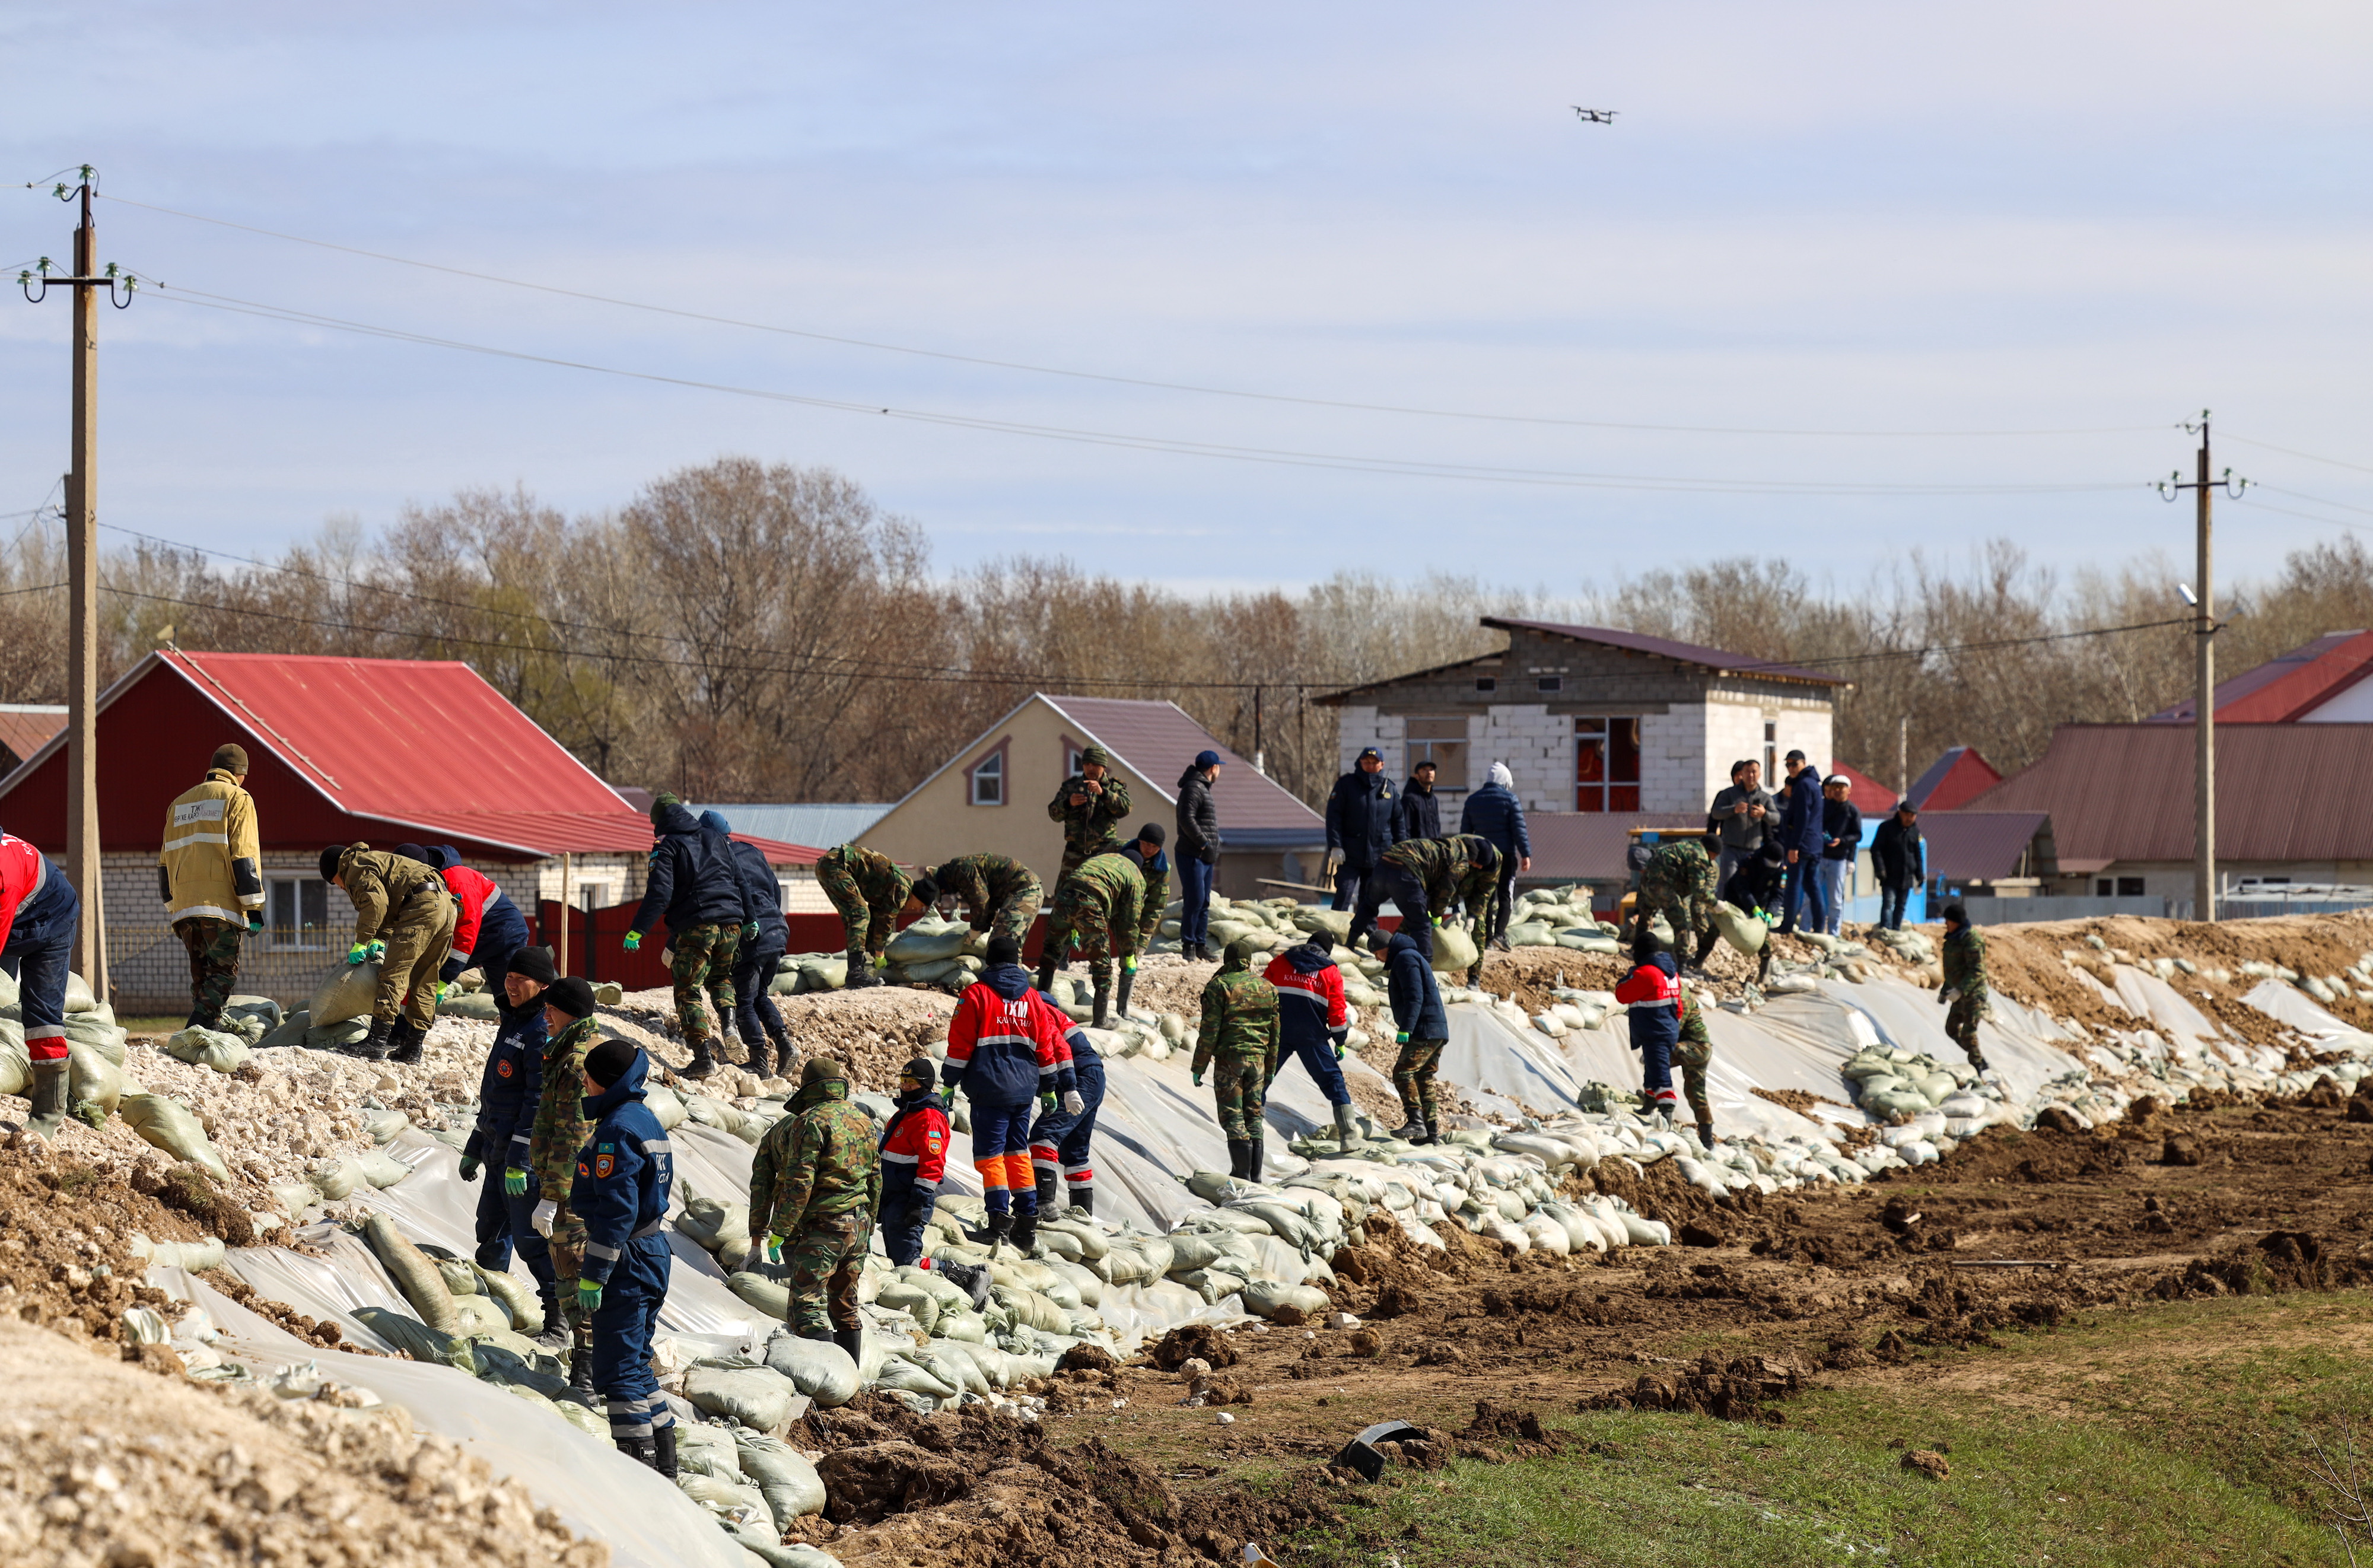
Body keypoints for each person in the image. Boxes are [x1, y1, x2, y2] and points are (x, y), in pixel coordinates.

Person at [569, 1035, 676, 1474]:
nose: (584, 1085)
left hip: (628, 1259)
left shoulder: (616, 1130)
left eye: (588, 1077)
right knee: (636, 1363)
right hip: (652, 1251)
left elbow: (618, 1211)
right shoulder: (645, 1119)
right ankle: (665, 1468)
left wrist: (594, 1273)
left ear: (606, 1081)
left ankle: (640, 1474)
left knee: (617, 1371)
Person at [459, 946, 567, 1350]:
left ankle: (558, 1321)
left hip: (522, 1161)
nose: (511, 985)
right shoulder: (513, 1021)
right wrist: (475, 1145)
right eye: (508, 977)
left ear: (543, 985)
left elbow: (536, 1103)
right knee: (490, 1231)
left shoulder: (539, 1029)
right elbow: (496, 1096)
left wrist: (520, 1161)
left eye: (521, 979)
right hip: (496, 1151)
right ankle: (492, 1309)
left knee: (532, 1242)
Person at [944, 934, 1080, 1252]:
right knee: (1018, 1154)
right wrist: (1050, 1088)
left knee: (990, 1157)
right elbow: (1045, 1046)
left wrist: (949, 1082)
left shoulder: (975, 995)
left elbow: (960, 1044)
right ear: (1016, 961)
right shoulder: (1032, 998)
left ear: (989, 960)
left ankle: (997, 1225)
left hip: (989, 1088)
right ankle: (1026, 1225)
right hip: (1023, 1091)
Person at [750, 1057, 879, 1363]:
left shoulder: (808, 1122)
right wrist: (870, 1227)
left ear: (806, 1086)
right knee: (846, 1305)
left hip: (825, 1228)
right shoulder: (863, 1120)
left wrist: (777, 1231)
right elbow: (875, 1179)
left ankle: (826, 1380)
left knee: (806, 1308)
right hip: (859, 1225)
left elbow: (799, 1183)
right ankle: (849, 1380)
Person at [624, 794, 750, 1077]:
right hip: (732, 922)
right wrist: (750, 919)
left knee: (687, 991)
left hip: (698, 925)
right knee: (721, 978)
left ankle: (703, 1058)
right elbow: (740, 880)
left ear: (660, 820)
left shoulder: (668, 846)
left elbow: (660, 892)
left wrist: (638, 929)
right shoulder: (715, 837)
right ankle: (729, 1025)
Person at [527, 976, 603, 1394]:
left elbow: (572, 1137)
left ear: (569, 1011)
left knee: (574, 1280)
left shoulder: (575, 1062)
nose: (546, 1016)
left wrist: (552, 1196)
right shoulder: (581, 1050)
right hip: (581, 1187)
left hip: (574, 1192)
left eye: (552, 1008)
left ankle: (588, 1371)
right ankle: (590, 1364)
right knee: (578, 1276)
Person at [159, 743, 264, 1032]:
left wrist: (173, 903)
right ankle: (194, 1030)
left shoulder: (179, 804)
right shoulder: (238, 798)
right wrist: (254, 907)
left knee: (202, 977)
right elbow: (244, 854)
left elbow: (164, 861)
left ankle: (208, 1034)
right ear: (241, 774)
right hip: (219, 906)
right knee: (222, 974)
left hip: (184, 907)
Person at [321, 842, 456, 1062]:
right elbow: (394, 901)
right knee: (426, 978)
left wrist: (362, 941)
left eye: (334, 882)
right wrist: (380, 938)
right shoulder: (375, 861)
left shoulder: (354, 867)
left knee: (394, 974)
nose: (339, 887)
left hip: (422, 905)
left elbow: (376, 903)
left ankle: (376, 1042)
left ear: (336, 871)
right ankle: (413, 1048)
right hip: (446, 905)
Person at [406, 845, 529, 1067]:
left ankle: (523, 1051)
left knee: (512, 999)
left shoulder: (457, 880)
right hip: (486, 936)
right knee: (422, 975)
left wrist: (444, 979)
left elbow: (465, 937)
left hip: (503, 936)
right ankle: (406, 1038)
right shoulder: (433, 879)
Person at [0, 832, 79, 1139]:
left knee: (41, 1017)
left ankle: (47, 1113)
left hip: (52, 921)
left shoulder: (3, 877)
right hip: (18, 916)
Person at [707, 813, 794, 1078]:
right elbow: (775, 890)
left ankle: (759, 1061)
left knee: (743, 1000)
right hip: (777, 929)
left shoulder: (717, 858)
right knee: (760, 995)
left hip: (753, 934)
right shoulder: (752, 851)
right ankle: (784, 1043)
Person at [1190, 937, 1280, 1181]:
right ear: (1248, 961)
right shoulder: (1268, 988)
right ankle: (1256, 1176)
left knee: (1233, 1116)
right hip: (1258, 1061)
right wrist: (1271, 1068)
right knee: (1253, 1116)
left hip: (1230, 1061)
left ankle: (1241, 1176)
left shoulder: (1219, 986)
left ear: (1227, 960)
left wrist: (1199, 1066)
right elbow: (1275, 1032)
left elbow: (1210, 1030)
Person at [1035, 848, 1157, 1026]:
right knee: (1102, 966)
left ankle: (1039, 1010)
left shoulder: (1104, 860)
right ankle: (1101, 1020)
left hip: (1065, 896)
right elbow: (1129, 922)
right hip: (1091, 902)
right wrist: (1129, 953)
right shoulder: (1135, 876)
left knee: (1051, 953)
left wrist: (1073, 927)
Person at [1263, 934, 1357, 1149]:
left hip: (1279, 1030)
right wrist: (1340, 1040)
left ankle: (1250, 1120)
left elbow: (1263, 991)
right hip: (1312, 1035)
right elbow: (1337, 1011)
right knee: (1333, 1081)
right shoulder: (1330, 971)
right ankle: (1349, 1137)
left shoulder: (1281, 960)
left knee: (1261, 1074)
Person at [1362, 832, 1500, 961]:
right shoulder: (1459, 854)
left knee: (1478, 929)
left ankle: (1474, 976)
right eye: (1478, 865)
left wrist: (1473, 916)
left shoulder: (1488, 866)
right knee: (1419, 922)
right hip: (1424, 882)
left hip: (1419, 877)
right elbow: (1447, 886)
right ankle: (1410, 957)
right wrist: (1451, 909)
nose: (1479, 868)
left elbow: (1483, 893)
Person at [817, 841, 928, 993]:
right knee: (860, 914)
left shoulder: (889, 890)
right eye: (921, 905)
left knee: (853, 918)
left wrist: (873, 953)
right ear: (916, 896)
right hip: (837, 865)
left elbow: (874, 924)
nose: (918, 909)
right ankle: (855, 974)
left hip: (828, 865)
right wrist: (880, 953)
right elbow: (886, 922)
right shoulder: (902, 889)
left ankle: (858, 970)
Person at [1028, 1006, 1105, 1216]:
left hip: (1079, 1078)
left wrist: (1071, 1088)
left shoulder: (1037, 1011)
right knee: (1075, 1152)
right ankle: (1083, 1215)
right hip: (1091, 1077)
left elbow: (1059, 1049)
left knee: (1044, 1136)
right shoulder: (1048, 1009)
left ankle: (1044, 1205)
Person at [876, 1056, 950, 1265]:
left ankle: (961, 1274)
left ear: (925, 1085)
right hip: (893, 1197)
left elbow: (933, 1164)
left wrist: (917, 1203)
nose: (905, 1087)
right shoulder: (906, 1112)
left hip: (908, 1200)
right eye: (903, 1081)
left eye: (911, 1082)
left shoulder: (929, 1118)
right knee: (896, 1259)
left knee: (908, 1261)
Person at [1325, 748, 1398, 943]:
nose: (1371, 766)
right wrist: (1335, 845)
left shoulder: (1389, 788)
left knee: (1371, 898)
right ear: (1360, 763)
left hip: (1379, 854)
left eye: (1375, 762)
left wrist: (1401, 852)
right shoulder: (1346, 785)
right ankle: (1335, 934)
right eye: (1367, 762)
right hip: (1350, 854)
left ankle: (1369, 936)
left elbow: (1398, 822)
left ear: (1382, 765)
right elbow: (1334, 817)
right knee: (1344, 892)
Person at [1458, 761, 1532, 950]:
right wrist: (1525, 854)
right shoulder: (1510, 799)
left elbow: (1465, 834)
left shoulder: (1473, 800)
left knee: (1486, 896)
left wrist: (1468, 857)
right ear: (1505, 781)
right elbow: (1519, 829)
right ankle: (1500, 935)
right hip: (1506, 856)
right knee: (1505, 895)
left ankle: (1487, 938)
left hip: (1482, 858)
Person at [1613, 929, 1683, 1124]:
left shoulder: (1646, 973)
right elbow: (1679, 1007)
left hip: (1655, 1031)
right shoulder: (1672, 974)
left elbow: (1622, 994)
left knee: (1660, 1072)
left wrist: (1628, 976)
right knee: (1652, 1069)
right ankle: (1649, 1104)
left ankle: (1667, 1111)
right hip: (1667, 1028)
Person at [1384, 928, 1446, 1144]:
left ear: (1384, 948)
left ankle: (1416, 1122)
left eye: (1376, 953)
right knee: (1424, 1078)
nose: (1377, 958)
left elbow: (1414, 995)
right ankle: (1432, 1135)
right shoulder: (1412, 956)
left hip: (1424, 1028)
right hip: (1436, 1029)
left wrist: (1407, 1028)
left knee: (1403, 1072)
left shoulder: (1405, 958)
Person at [1047, 745, 1132, 885]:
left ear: (1103, 766)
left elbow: (1125, 809)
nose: (1090, 768)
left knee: (1101, 889)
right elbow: (1053, 814)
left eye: (1095, 765)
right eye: (1087, 764)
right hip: (1074, 852)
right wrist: (1068, 803)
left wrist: (1103, 793)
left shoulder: (1114, 786)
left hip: (1103, 852)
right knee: (1066, 891)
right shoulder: (1071, 786)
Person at [1634, 837, 1720, 973]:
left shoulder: (1683, 847)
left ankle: (1637, 950)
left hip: (1650, 885)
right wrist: (1715, 903)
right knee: (1682, 924)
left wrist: (1638, 907)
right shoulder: (1699, 855)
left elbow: (1645, 877)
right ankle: (1682, 966)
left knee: (1646, 914)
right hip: (1664, 887)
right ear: (1712, 852)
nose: (1713, 859)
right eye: (1714, 856)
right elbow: (1698, 889)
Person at [1174, 750, 1223, 962]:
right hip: (1192, 853)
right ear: (1214, 768)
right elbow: (1186, 819)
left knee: (1203, 901)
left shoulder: (1202, 788)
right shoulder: (1194, 787)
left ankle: (1201, 944)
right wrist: (1203, 843)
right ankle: (1189, 945)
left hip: (1205, 856)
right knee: (1194, 899)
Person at [929, 853, 1038, 948]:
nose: (947, 893)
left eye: (943, 891)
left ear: (942, 883)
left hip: (1022, 891)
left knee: (999, 945)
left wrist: (975, 930)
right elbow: (989, 905)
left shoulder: (960, 870)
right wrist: (983, 928)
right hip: (1028, 891)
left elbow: (981, 901)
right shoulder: (959, 872)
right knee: (1011, 948)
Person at [1773, 750, 1827, 937]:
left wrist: (1794, 846)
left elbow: (1802, 818)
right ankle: (1819, 926)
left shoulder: (1803, 785)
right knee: (1813, 887)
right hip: (1814, 844)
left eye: (1794, 764)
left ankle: (1787, 925)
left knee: (1794, 886)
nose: (1791, 768)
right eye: (1788, 765)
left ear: (1803, 763)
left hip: (1802, 845)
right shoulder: (1813, 784)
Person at [1117, 823, 1169, 1012]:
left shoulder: (1161, 869)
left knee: (1130, 958)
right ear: (1139, 840)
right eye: (1146, 844)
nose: (1149, 850)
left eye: (1155, 847)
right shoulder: (1118, 850)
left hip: (1133, 912)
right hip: (1109, 903)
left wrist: (1141, 943)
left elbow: (1154, 908)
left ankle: (1123, 1007)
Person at [1707, 759, 1775, 895]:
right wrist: (1733, 809)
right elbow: (1715, 814)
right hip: (1731, 848)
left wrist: (1764, 814)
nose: (1751, 775)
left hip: (1753, 851)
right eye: (1747, 772)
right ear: (1742, 774)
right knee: (1728, 884)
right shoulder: (1728, 794)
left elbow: (1777, 819)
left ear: (1760, 774)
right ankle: (1724, 907)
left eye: (1754, 772)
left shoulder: (1765, 798)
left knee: (1749, 886)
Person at [1939, 902, 1992, 1072]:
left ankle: (1978, 1066)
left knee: (1969, 1033)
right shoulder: (1952, 939)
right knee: (1951, 1029)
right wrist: (1945, 991)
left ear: (1957, 922)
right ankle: (1978, 1058)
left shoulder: (1971, 940)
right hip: (1959, 993)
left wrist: (1961, 990)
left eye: (1949, 921)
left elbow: (1977, 971)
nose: (1946, 924)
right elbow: (1953, 970)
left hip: (1973, 995)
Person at [1673, 986, 1717, 1152]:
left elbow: (1675, 1028)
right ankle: (1707, 1138)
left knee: (1658, 1059)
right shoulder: (1676, 992)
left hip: (1696, 1047)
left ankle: (1655, 1104)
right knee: (1695, 1092)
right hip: (1698, 1047)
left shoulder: (1683, 997)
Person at [1871, 800, 1926, 932]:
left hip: (1907, 876)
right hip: (1889, 874)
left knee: (1901, 906)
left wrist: (1920, 874)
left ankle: (1896, 931)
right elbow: (1876, 850)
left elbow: (1917, 854)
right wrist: (1880, 869)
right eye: (1907, 815)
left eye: (1912, 816)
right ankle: (1886, 931)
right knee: (1888, 904)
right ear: (1900, 813)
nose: (1909, 819)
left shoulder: (1914, 831)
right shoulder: (1886, 828)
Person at [1817, 777, 1862, 937]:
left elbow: (1857, 835)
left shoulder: (1852, 810)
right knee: (1811, 896)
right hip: (1820, 856)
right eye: (1835, 787)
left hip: (1838, 860)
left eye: (1841, 787)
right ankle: (1810, 928)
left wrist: (1841, 841)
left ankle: (1834, 933)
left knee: (1836, 900)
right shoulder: (1824, 806)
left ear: (1849, 790)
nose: (1837, 791)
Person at [1395, 758, 1443, 842]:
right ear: (1417, 776)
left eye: (1431, 770)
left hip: (1434, 846)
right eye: (1424, 770)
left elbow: (1437, 826)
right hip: (1417, 847)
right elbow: (1405, 827)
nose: (1429, 772)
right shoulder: (1410, 798)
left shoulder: (1433, 799)